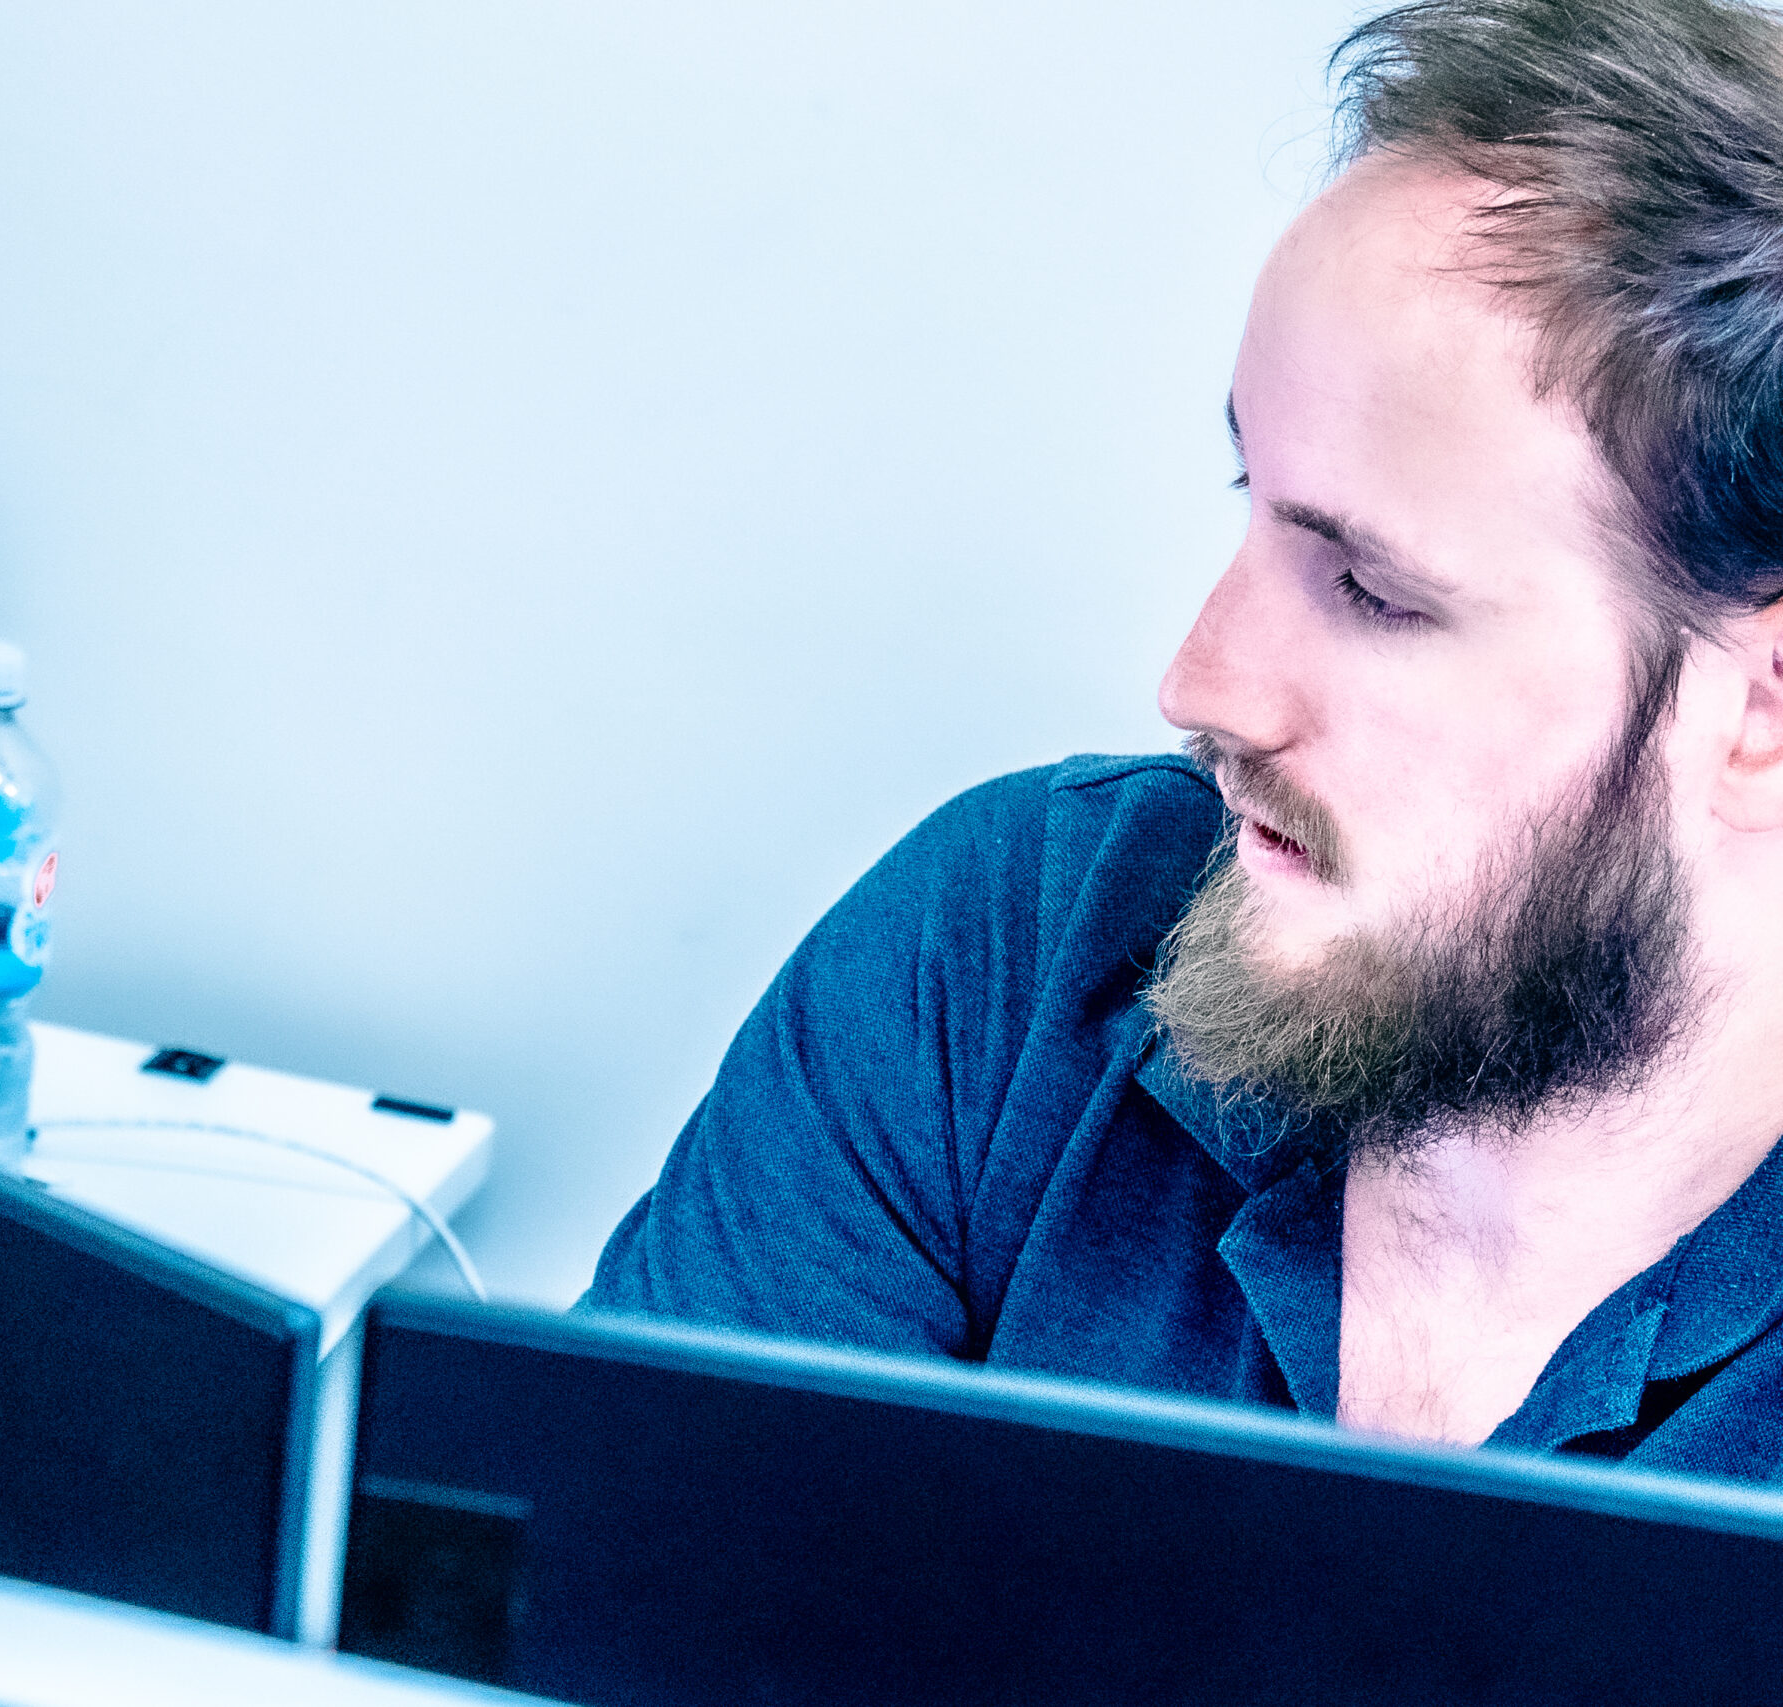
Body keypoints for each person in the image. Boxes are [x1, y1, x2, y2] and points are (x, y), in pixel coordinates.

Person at [585, 0, 1783, 1476]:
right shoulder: (1007, 967)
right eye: (1252, 499)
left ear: (1759, 712)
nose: (1203, 683)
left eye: (1372, 591)